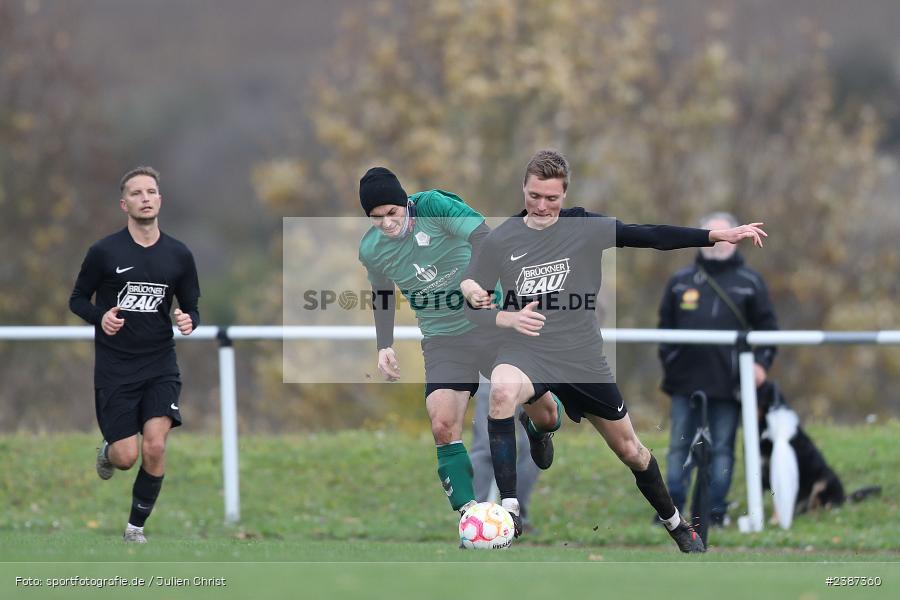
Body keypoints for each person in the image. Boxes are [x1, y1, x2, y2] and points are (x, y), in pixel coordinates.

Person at [463, 149, 767, 552]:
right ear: (524, 189)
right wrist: (486, 302)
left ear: (564, 195)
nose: (541, 206)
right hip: (527, 350)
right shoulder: (502, 239)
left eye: (551, 198)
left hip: (582, 357)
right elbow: (473, 295)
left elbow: (650, 235)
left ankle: (676, 525)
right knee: (501, 392)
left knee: (631, 451)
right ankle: (511, 510)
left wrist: (714, 236)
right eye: (534, 196)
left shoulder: (585, 227)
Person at [356, 167, 561, 537]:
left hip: (492, 322)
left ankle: (540, 430)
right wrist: (384, 344)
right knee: (442, 423)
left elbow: (485, 238)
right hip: (443, 339)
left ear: (406, 204)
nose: (385, 224)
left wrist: (472, 282)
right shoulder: (371, 250)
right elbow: (382, 292)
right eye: (375, 218)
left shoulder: (435, 206)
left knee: (545, 413)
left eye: (392, 213)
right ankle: (471, 520)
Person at [69, 166, 200, 544]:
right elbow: (77, 299)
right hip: (115, 367)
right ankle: (109, 450)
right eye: (137, 193)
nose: (145, 198)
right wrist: (100, 317)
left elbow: (192, 307)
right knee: (127, 457)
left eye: (151, 191)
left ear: (160, 199)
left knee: (155, 445)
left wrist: (188, 320)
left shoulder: (179, 254)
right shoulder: (104, 252)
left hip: (160, 363)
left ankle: (134, 530)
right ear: (123, 203)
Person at [658, 211, 778, 527]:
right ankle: (670, 511)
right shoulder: (679, 281)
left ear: (737, 240)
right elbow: (663, 331)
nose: (719, 243)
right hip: (685, 383)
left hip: (729, 384)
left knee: (723, 447)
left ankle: (714, 512)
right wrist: (672, 364)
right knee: (679, 446)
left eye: (727, 235)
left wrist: (760, 365)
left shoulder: (751, 282)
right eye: (713, 235)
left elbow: (769, 330)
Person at [469, 376, 542, 529]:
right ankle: (515, 517)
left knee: (531, 444)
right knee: (532, 443)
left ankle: (477, 519)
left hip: (496, 369)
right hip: (533, 366)